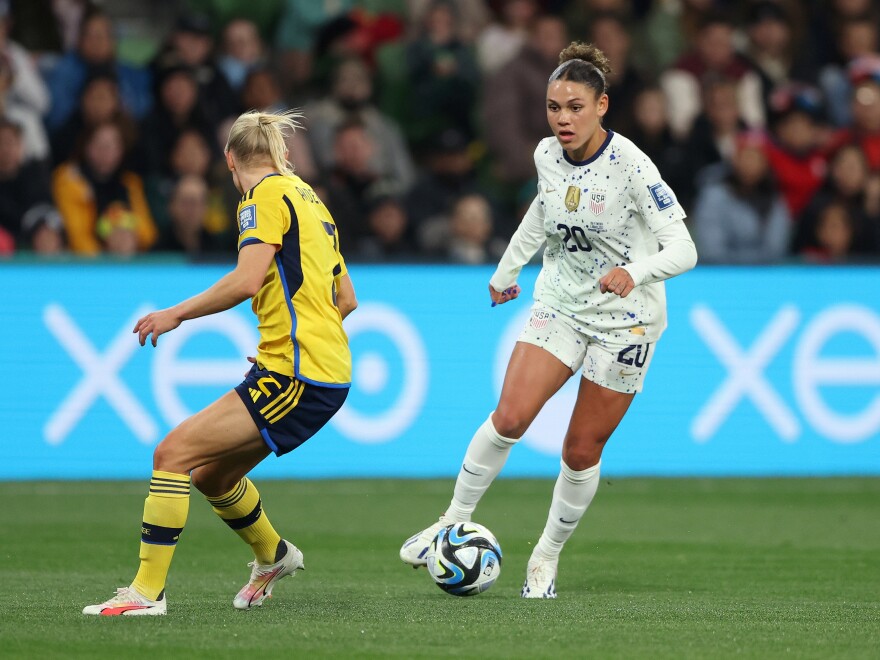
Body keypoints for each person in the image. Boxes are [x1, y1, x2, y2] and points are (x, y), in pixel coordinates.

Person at [399, 42, 697, 598]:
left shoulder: (632, 165)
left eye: (576, 107)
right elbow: (543, 211)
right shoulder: (545, 156)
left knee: (580, 451)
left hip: (626, 321)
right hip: (560, 302)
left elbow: (684, 249)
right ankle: (448, 523)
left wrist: (636, 271)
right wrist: (506, 269)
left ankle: (546, 556)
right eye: (554, 106)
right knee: (509, 416)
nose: (563, 118)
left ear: (602, 105)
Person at [82, 110, 357, 616]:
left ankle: (146, 594)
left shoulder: (262, 199)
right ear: (277, 153)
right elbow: (346, 297)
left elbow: (245, 280)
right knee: (211, 476)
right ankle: (273, 555)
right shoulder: (312, 201)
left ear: (229, 159)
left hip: (297, 374)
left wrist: (175, 314)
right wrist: (291, 337)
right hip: (316, 369)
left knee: (171, 454)